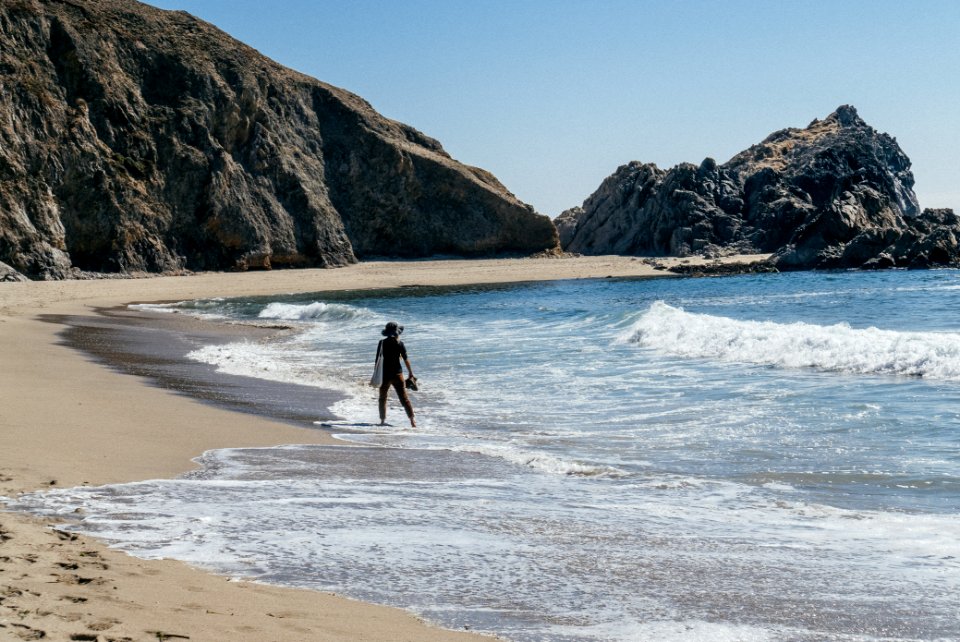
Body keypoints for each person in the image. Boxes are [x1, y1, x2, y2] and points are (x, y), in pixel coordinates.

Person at [376, 321, 416, 427]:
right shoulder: (400, 343)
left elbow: (377, 361)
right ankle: (412, 421)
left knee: (382, 398)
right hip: (398, 375)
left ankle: (382, 421)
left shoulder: (382, 343)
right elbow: (406, 360)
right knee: (404, 398)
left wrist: (375, 375)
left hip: (384, 375)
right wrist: (411, 373)